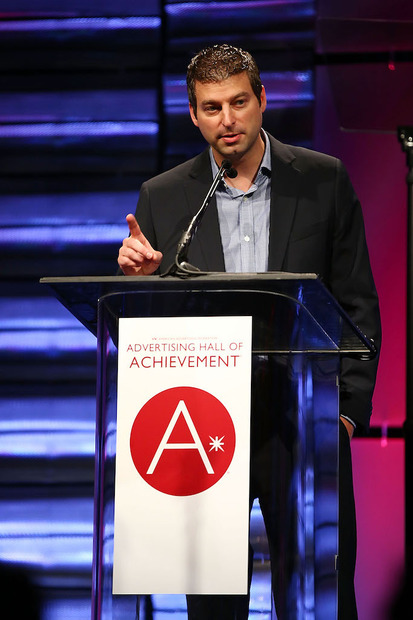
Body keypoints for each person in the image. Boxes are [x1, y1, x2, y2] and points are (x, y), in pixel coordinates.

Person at [118, 44, 381, 619]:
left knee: (322, 601)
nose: (228, 120)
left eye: (239, 102)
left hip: (305, 425)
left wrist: (345, 414)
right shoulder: (164, 198)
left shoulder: (321, 179)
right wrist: (141, 284)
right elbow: (150, 335)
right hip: (207, 428)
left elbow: (357, 299)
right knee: (213, 607)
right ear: (193, 114)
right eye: (211, 108)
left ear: (262, 99)